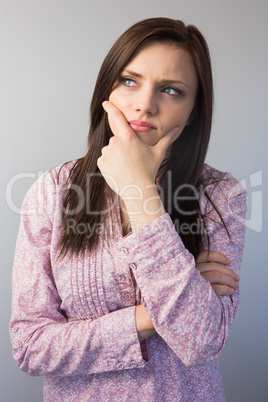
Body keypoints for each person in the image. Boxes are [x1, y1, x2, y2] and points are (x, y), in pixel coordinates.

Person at [10, 17, 247, 401]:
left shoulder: (222, 196)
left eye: (171, 90)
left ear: (193, 110)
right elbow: (30, 345)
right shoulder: (53, 192)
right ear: (107, 89)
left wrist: (139, 192)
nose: (145, 104)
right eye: (129, 80)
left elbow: (201, 340)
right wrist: (150, 317)